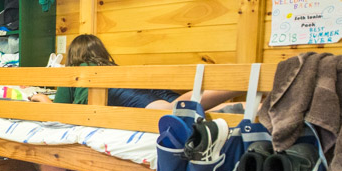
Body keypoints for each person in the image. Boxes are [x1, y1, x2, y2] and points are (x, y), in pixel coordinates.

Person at [30, 34, 237, 110]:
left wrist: (41, 98)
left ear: (74, 55)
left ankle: (234, 85)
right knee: (183, 108)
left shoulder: (74, 72)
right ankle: (246, 99)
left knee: (171, 109)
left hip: (111, 90)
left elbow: (58, 110)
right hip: (134, 81)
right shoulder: (111, 67)